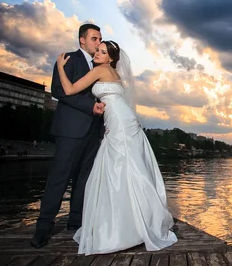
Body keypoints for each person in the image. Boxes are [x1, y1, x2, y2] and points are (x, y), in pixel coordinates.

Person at [56, 40, 177, 255]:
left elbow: (69, 89)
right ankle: (135, 221)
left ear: (110, 58)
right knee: (128, 169)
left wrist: (59, 67)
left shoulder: (100, 70)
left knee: (119, 169)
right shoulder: (114, 74)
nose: (97, 54)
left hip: (119, 123)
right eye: (98, 50)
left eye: (102, 52)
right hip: (124, 119)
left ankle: (124, 226)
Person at [30, 23, 105, 249]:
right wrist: (89, 107)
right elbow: (59, 91)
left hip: (94, 132)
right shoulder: (68, 59)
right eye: (94, 39)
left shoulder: (100, 64)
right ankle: (43, 227)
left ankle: (75, 221)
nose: (98, 43)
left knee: (84, 180)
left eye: (100, 39)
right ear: (82, 40)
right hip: (70, 131)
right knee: (59, 178)